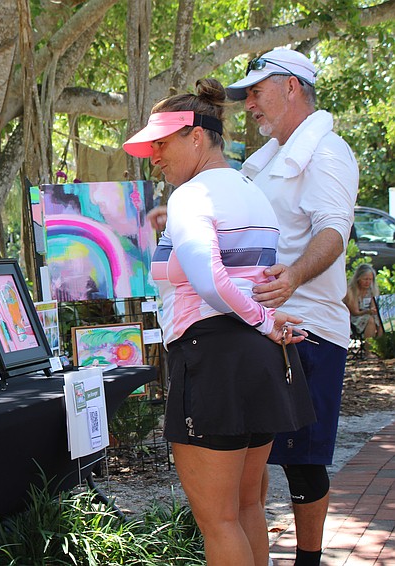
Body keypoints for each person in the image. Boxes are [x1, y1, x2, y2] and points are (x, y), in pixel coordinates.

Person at [124, 78, 316, 566]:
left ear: (195, 136)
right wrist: (265, 323)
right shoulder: (253, 194)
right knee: (247, 505)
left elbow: (211, 282)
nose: (155, 156)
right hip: (258, 360)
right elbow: (250, 277)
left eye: (162, 143)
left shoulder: (192, 197)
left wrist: (263, 320)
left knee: (218, 520)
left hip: (215, 359)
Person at [225, 49, 359, 566]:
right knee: (252, 455)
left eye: (256, 92)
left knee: (301, 462)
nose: (250, 105)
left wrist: (295, 276)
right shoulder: (266, 161)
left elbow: (333, 231)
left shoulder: (326, 153)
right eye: (246, 96)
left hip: (308, 329)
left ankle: (308, 560)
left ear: (292, 88)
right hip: (262, 326)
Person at [344, 263, 383, 350]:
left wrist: (373, 311)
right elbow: (355, 312)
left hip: (367, 314)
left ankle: (381, 347)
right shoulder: (351, 291)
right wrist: (368, 312)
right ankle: (368, 350)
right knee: (370, 320)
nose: (367, 282)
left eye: (370, 279)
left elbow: (374, 307)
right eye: (365, 279)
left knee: (381, 320)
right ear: (358, 278)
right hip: (353, 318)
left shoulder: (371, 290)